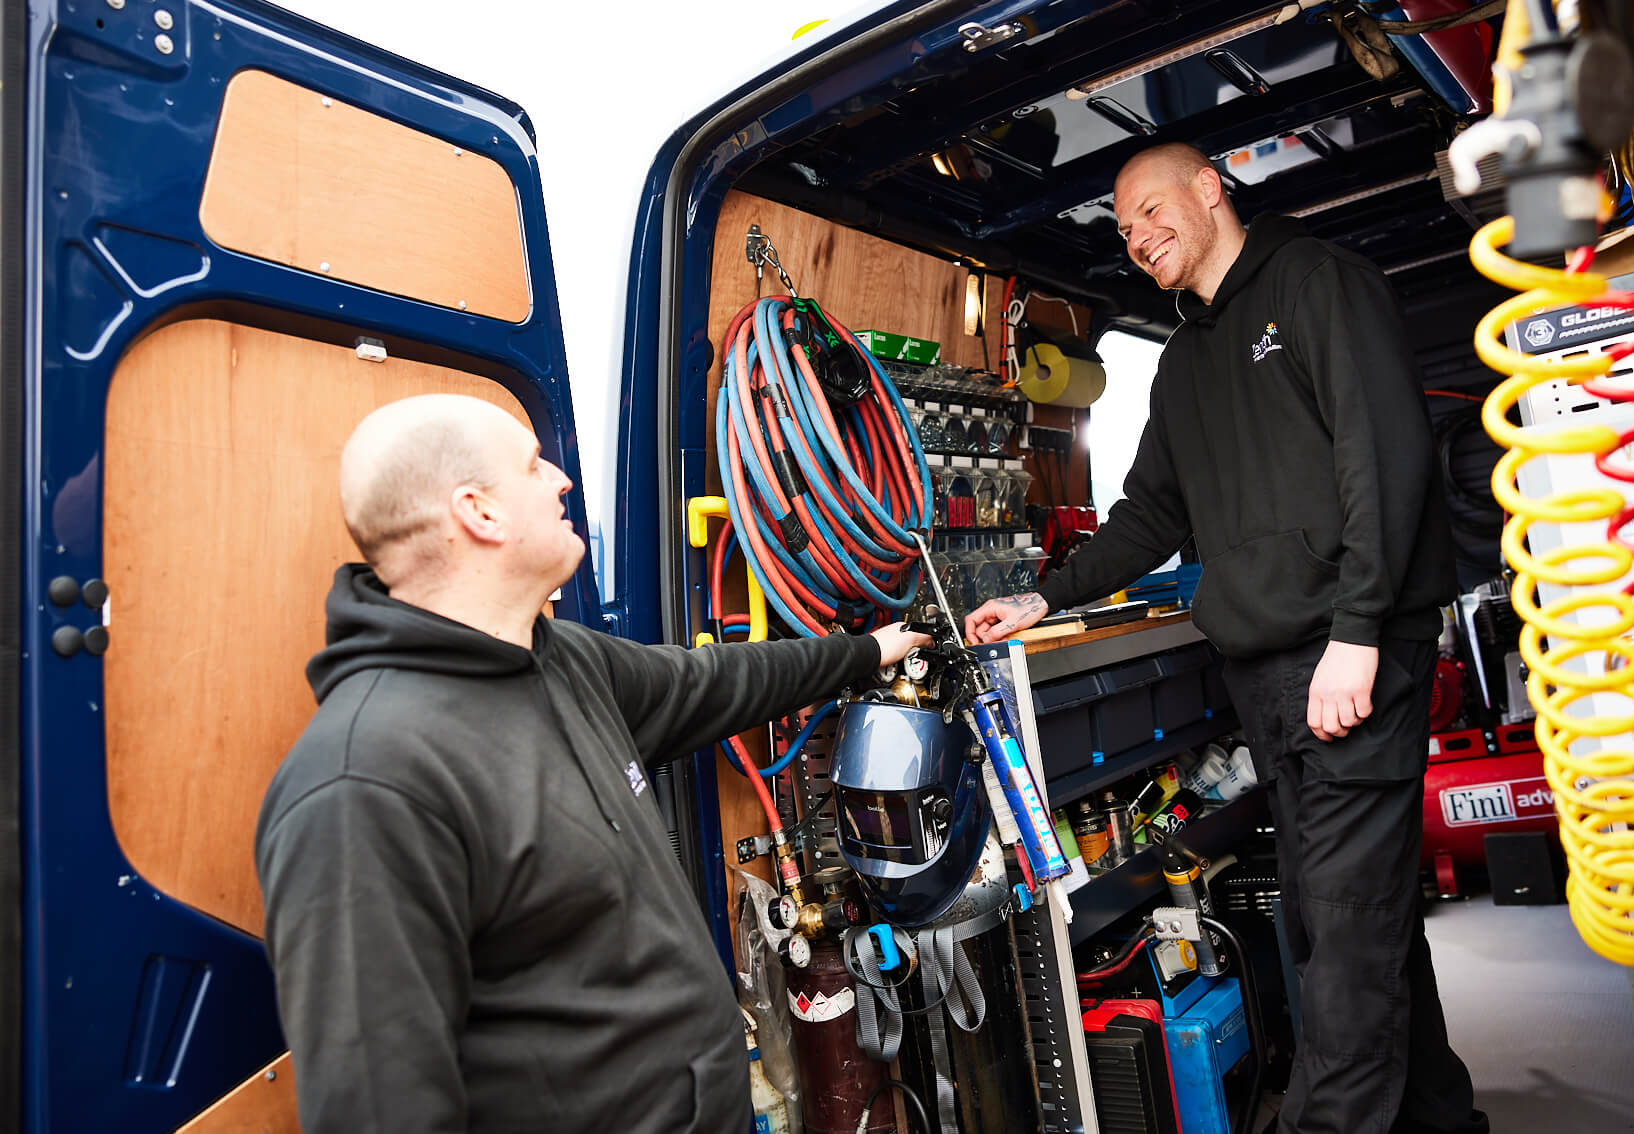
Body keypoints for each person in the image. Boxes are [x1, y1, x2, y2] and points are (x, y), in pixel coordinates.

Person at [966, 144, 1486, 1134]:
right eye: (1122, 228)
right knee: (1350, 925)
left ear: (1210, 188)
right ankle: (1441, 1120)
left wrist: (1359, 632)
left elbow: (1386, 459)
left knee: (1338, 945)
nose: (1137, 235)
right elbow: (1145, 513)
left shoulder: (1315, 284)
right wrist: (1047, 596)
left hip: (1347, 663)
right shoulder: (1186, 358)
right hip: (1268, 682)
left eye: (1151, 208)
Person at [255, 394, 930, 1133]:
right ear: (480, 513)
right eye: (533, 465)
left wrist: (870, 651)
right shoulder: (364, 783)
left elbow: (719, 682)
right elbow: (382, 1111)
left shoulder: (562, 661)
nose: (561, 480)